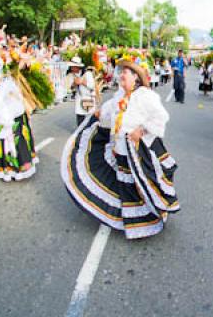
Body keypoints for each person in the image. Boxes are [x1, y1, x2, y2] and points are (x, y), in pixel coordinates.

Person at [61, 59, 179, 239]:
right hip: (120, 149)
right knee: (126, 186)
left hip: (136, 151)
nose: (121, 75)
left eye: (126, 72)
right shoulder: (120, 96)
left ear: (136, 78)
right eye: (121, 72)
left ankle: (147, 220)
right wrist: (98, 114)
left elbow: (162, 117)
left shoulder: (145, 95)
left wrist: (141, 129)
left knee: (140, 186)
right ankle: (131, 222)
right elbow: (108, 111)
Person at [0, 51, 37, 181]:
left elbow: (5, 99)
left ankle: (20, 168)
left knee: (15, 142)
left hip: (12, 117)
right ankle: (7, 169)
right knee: (2, 144)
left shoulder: (7, 81)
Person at [72, 57, 96, 126]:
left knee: (89, 118)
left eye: (73, 67)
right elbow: (71, 88)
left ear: (77, 67)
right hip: (79, 98)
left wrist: (82, 82)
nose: (72, 68)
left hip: (87, 98)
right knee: (80, 117)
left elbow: (92, 86)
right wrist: (74, 84)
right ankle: (80, 133)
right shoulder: (73, 75)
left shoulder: (87, 74)